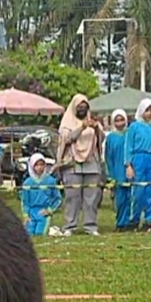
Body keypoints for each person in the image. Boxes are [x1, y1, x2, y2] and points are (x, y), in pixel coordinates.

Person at [55, 94, 104, 237]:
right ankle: (70, 226)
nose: (82, 109)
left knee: (92, 198)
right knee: (72, 197)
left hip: (92, 163)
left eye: (85, 106)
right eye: (79, 107)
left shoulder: (92, 121)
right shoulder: (67, 123)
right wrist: (82, 127)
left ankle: (90, 226)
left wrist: (96, 128)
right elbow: (67, 139)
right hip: (72, 164)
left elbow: (101, 139)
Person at [125, 99, 151, 231]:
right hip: (138, 158)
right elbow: (128, 146)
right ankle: (134, 219)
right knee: (138, 191)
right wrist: (128, 165)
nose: (150, 113)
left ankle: (149, 219)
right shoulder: (134, 126)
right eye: (147, 110)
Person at [103, 109, 133, 232]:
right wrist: (110, 174)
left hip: (130, 170)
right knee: (120, 199)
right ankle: (120, 223)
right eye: (117, 120)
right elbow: (108, 157)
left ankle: (129, 222)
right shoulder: (110, 138)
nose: (120, 123)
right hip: (117, 171)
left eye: (122, 120)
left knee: (130, 198)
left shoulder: (130, 134)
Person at [20, 153, 61, 237]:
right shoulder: (27, 183)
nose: (39, 167)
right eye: (37, 165)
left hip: (43, 212)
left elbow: (57, 198)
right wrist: (26, 214)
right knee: (28, 233)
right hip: (31, 212)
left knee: (40, 233)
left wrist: (50, 210)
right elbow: (24, 201)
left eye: (42, 164)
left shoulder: (50, 181)